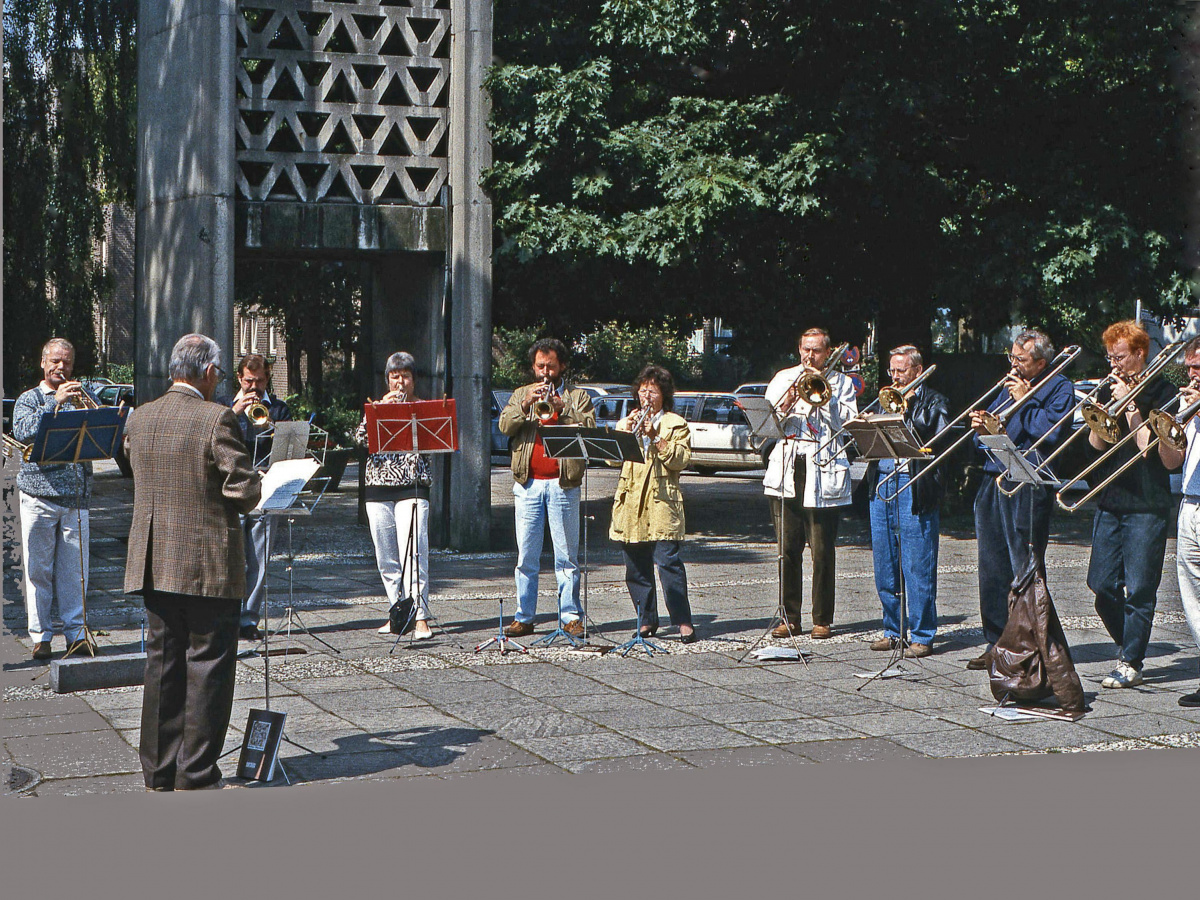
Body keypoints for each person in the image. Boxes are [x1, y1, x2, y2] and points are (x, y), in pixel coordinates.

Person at [124, 334, 261, 791]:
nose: (218, 380)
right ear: (206, 372)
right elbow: (243, 491)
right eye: (218, 372)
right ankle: (196, 772)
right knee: (208, 664)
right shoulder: (215, 417)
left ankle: (158, 770)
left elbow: (134, 469)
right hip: (206, 564)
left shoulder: (140, 417)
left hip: (153, 560)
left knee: (162, 665)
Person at [1081, 322, 1182, 688]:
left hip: (1146, 502)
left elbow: (1148, 452)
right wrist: (1104, 410)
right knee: (1101, 585)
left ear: (1140, 354)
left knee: (1139, 587)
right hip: (1111, 498)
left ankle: (1131, 661)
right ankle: (1131, 644)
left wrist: (1131, 408)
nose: (1115, 364)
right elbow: (1095, 444)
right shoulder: (1111, 387)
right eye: (1111, 357)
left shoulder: (1163, 391)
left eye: (1120, 357)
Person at [967, 329, 1074, 670]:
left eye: (1021, 360)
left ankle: (1031, 644)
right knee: (991, 566)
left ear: (1041, 362)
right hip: (993, 475)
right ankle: (996, 641)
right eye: (1011, 357)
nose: (1014, 365)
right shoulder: (1011, 383)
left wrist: (1026, 399)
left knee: (1024, 568)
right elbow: (995, 428)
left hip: (1028, 482)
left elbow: (1051, 432)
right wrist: (983, 427)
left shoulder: (1059, 387)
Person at [762, 327, 857, 639]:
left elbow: (848, 424)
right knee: (786, 549)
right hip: (788, 464)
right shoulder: (783, 377)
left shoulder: (841, 382)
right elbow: (767, 424)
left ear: (827, 352)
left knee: (822, 551)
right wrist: (787, 401)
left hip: (822, 466)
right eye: (805, 349)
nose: (809, 356)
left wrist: (824, 395)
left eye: (816, 350)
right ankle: (789, 617)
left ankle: (822, 618)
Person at [497, 338, 595, 638]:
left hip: (563, 484)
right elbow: (503, 427)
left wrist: (564, 410)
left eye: (551, 366)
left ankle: (570, 616)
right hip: (528, 484)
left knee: (566, 556)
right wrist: (526, 405)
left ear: (562, 366)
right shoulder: (521, 394)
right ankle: (524, 616)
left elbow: (590, 430)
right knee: (526, 556)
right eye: (540, 366)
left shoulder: (578, 397)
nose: (545, 372)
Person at [13, 338, 98, 660]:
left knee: (75, 572)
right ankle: (41, 635)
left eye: (67, 363)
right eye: (55, 361)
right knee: (39, 570)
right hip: (39, 497)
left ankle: (77, 634)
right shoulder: (29, 399)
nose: (61, 368)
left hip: (76, 498)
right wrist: (54, 403)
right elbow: (23, 432)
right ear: (43, 362)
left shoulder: (81, 399)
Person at [864, 345, 950, 658]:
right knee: (885, 563)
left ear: (917, 370)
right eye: (892, 370)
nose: (896, 377)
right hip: (882, 483)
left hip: (914, 485)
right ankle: (893, 629)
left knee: (917, 563)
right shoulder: (883, 399)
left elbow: (937, 444)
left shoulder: (934, 401)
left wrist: (909, 412)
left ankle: (923, 633)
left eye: (901, 370)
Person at [610, 365, 696, 643]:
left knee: (668, 563)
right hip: (631, 499)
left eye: (653, 390)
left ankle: (683, 620)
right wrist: (625, 430)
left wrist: (655, 437)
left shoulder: (675, 423)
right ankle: (646, 619)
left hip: (661, 500)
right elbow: (612, 459)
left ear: (664, 395)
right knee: (635, 565)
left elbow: (680, 460)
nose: (646, 395)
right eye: (642, 389)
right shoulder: (628, 420)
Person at [356, 351, 434, 640]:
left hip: (412, 485)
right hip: (378, 485)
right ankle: (398, 613)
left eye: (405, 376)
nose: (399, 382)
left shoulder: (425, 409)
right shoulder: (375, 406)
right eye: (394, 376)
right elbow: (361, 440)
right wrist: (377, 411)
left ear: (413, 380)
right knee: (386, 556)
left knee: (414, 551)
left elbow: (439, 441)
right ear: (387, 380)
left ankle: (422, 617)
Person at [229, 353, 293, 641]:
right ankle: (227, 616)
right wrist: (235, 413)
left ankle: (248, 620)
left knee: (259, 557)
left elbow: (288, 451)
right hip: (233, 488)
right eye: (248, 381)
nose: (254, 387)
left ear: (267, 379)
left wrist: (271, 429)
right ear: (240, 379)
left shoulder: (279, 409)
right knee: (231, 555)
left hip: (267, 489)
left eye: (259, 381)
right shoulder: (224, 409)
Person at [1171, 337, 1200, 707]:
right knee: (1192, 594)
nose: (1192, 375)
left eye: (1199, 367)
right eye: (1190, 367)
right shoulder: (1190, 405)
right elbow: (1170, 462)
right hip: (1190, 503)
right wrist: (1176, 426)